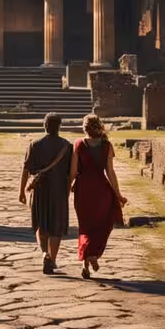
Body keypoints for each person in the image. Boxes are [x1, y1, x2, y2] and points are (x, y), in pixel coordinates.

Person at [69, 114, 127, 279]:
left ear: (84, 128)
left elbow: (73, 172)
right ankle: (92, 255)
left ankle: (85, 262)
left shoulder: (79, 144)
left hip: (83, 191)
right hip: (101, 190)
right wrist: (118, 194)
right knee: (102, 224)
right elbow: (110, 172)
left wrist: (66, 190)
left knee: (85, 227)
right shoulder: (106, 145)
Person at [19, 113, 72, 275]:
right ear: (59, 126)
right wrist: (68, 190)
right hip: (58, 190)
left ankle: (44, 254)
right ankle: (53, 259)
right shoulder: (67, 146)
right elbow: (72, 173)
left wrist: (21, 191)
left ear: (45, 126)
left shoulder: (34, 145)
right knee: (56, 225)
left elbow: (26, 170)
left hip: (39, 190)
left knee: (41, 223)